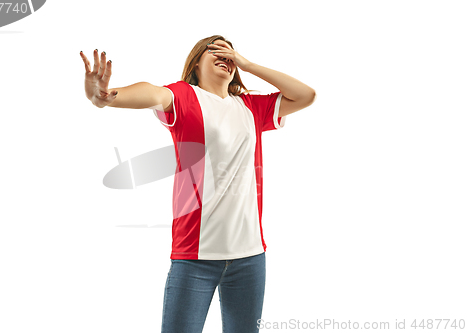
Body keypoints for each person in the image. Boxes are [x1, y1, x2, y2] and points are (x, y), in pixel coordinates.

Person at [80, 35, 316, 333]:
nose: (224, 55)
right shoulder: (183, 97)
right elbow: (152, 93)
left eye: (229, 51)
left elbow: (306, 96)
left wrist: (247, 63)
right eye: (215, 49)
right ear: (196, 61)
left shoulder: (251, 107)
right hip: (194, 257)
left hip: (250, 257)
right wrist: (103, 95)